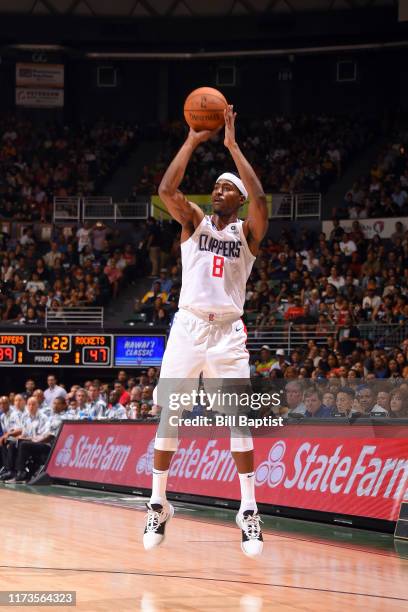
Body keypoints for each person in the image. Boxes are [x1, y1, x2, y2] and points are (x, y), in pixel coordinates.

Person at [143, 105, 268, 557]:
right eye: (215, 186)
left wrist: (232, 146)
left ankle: (248, 511)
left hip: (228, 334)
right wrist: (194, 140)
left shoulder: (248, 235)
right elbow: (166, 188)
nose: (218, 190)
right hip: (189, 326)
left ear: (236, 200)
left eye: (225, 187)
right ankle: (158, 502)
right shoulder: (193, 223)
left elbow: (260, 199)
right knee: (170, 415)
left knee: (239, 422)